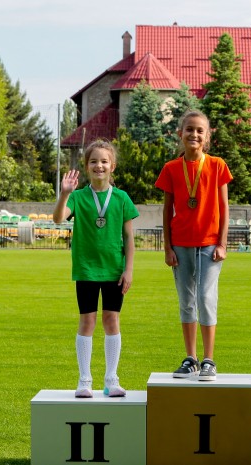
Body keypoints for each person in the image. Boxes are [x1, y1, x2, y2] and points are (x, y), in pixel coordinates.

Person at [53, 139, 139, 398]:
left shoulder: (122, 198)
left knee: (111, 320)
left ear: (112, 166)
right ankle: (84, 380)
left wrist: (129, 269)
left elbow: (129, 238)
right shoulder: (78, 197)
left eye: (104, 161)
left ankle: (112, 379)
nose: (99, 165)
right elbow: (58, 219)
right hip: (87, 270)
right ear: (86, 166)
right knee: (87, 321)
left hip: (114, 270)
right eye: (93, 161)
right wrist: (65, 192)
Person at [154, 110, 233, 381]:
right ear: (180, 133)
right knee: (186, 301)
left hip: (210, 244)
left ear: (207, 136)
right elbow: (166, 211)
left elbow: (224, 208)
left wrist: (222, 244)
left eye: (200, 130)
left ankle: (209, 360)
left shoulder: (217, 165)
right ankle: (191, 359)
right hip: (181, 244)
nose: (194, 135)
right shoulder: (171, 168)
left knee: (205, 298)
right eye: (189, 129)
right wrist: (167, 247)